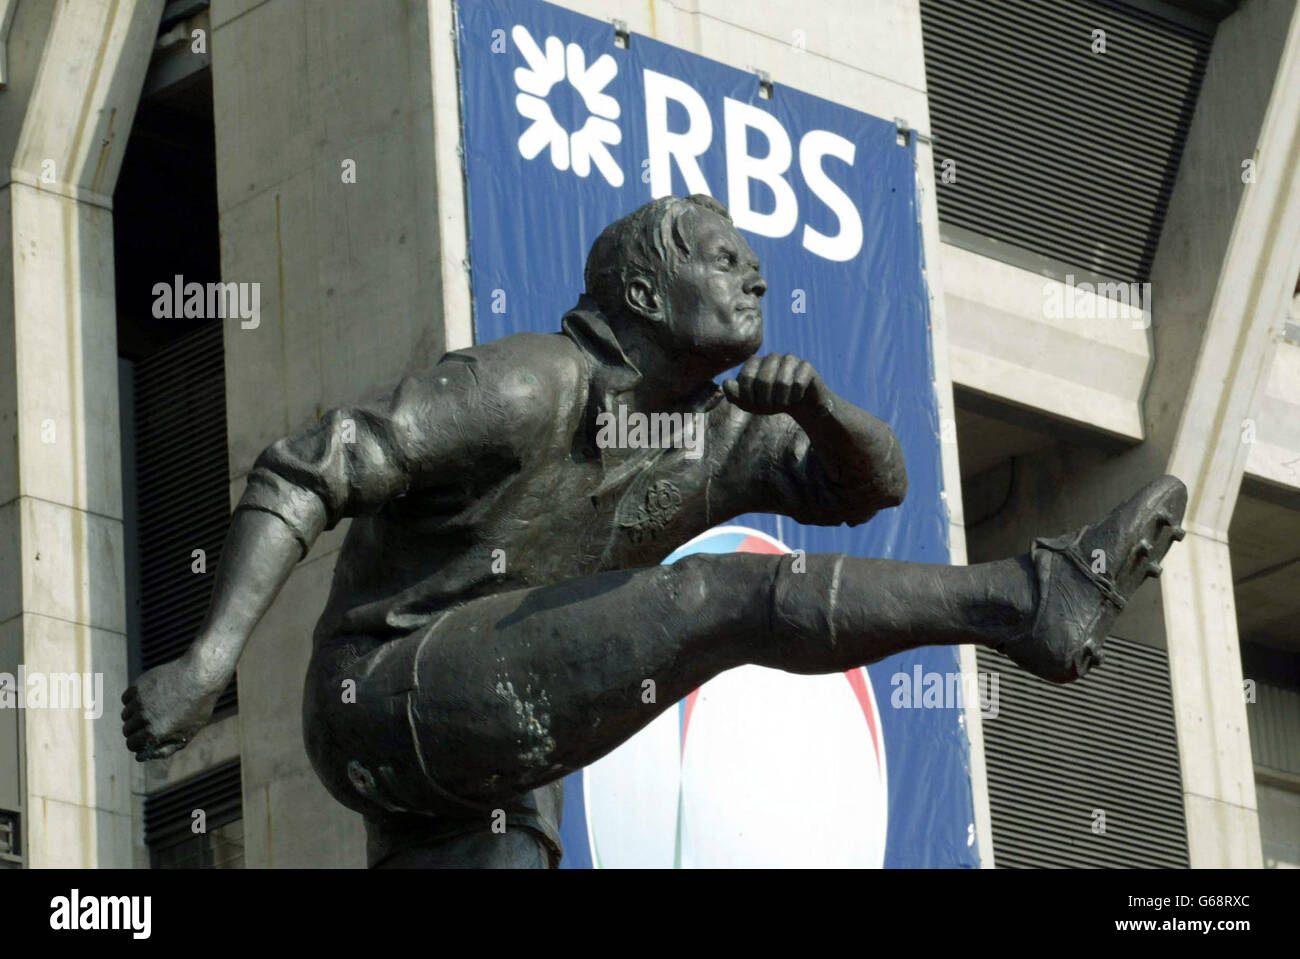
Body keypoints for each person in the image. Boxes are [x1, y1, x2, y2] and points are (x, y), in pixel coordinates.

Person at [122, 194, 1186, 868]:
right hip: (383, 690)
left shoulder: (722, 437)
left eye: (752, 265)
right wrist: (207, 661)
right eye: (724, 260)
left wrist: (818, 408)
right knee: (719, 598)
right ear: (642, 288)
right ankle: (1024, 596)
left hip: (481, 786)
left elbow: (874, 485)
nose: (754, 278)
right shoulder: (529, 381)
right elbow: (308, 467)